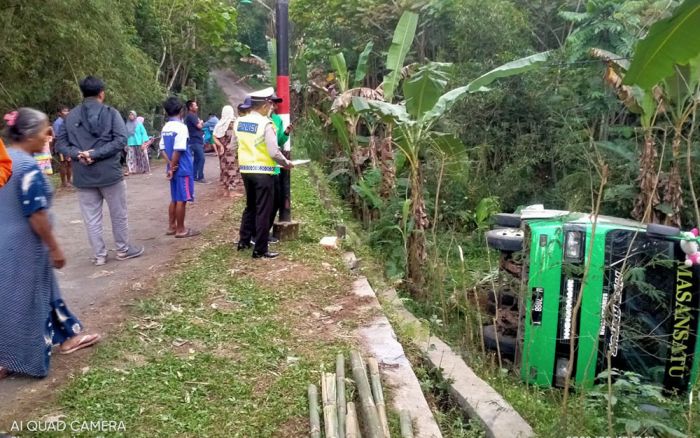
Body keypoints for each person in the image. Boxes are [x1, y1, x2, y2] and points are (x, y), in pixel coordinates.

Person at [0, 108, 101, 380]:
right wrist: (54, 247)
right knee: (22, 299)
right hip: (24, 245)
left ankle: (67, 336)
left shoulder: (5, 160)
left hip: (4, 243)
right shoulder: (28, 168)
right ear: (31, 134)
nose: (49, 135)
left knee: (33, 292)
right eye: (45, 130)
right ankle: (13, 358)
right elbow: (36, 214)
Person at [56, 76, 145, 266]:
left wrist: (79, 154)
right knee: (118, 213)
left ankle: (100, 255)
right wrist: (95, 153)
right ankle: (122, 250)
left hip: (83, 175)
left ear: (83, 93)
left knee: (91, 218)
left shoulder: (70, 116)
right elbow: (121, 140)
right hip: (110, 174)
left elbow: (61, 144)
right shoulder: (111, 113)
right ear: (101, 93)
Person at [235, 88, 294, 259]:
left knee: (250, 206)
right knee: (264, 210)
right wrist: (287, 163)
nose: (271, 107)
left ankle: (244, 241)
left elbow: (233, 146)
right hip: (263, 171)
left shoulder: (239, 122)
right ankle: (260, 249)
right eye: (270, 104)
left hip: (246, 170)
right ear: (265, 105)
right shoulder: (265, 124)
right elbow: (274, 152)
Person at [160, 97, 200, 238]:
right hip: (182, 168)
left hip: (173, 168)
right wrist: (173, 166)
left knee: (174, 197)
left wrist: (169, 165)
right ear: (181, 110)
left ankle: (172, 226)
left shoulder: (166, 128)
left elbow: (162, 149)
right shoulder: (181, 128)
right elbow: (179, 149)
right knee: (181, 200)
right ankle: (181, 229)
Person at [212, 104, 241, 197]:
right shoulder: (233, 123)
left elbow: (214, 136)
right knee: (232, 170)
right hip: (231, 152)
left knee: (224, 169)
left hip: (223, 151)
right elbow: (236, 137)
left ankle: (225, 190)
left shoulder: (220, 124)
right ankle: (232, 191)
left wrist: (220, 146)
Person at [184, 100, 207, 183]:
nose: (197, 107)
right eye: (195, 105)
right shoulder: (192, 116)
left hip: (194, 140)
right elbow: (199, 126)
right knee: (201, 158)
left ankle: (194, 176)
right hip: (195, 140)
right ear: (190, 107)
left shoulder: (190, 116)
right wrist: (201, 122)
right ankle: (200, 176)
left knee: (197, 159)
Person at [52, 105, 72, 187]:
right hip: (61, 146)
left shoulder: (68, 121)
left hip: (69, 145)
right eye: (64, 111)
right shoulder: (58, 123)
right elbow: (57, 137)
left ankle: (69, 180)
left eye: (67, 110)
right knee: (63, 163)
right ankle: (64, 182)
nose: (67, 112)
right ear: (59, 113)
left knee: (70, 163)